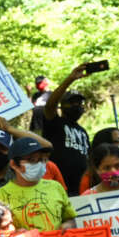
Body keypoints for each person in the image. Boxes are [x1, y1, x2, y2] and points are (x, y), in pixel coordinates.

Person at [42, 63, 96, 193]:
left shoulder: (83, 132)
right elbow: (50, 105)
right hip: (58, 186)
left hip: (82, 187)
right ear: (63, 106)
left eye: (79, 102)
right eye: (72, 102)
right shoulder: (55, 123)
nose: (77, 106)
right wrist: (70, 79)